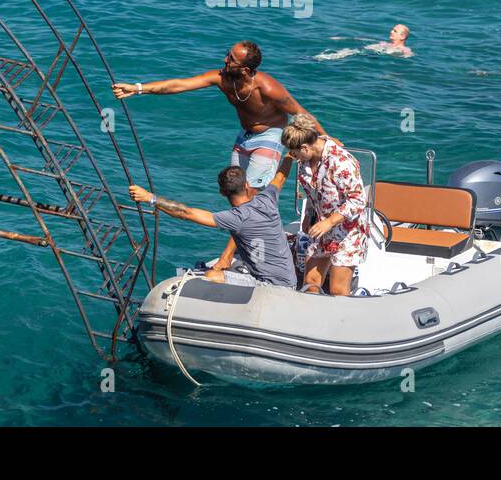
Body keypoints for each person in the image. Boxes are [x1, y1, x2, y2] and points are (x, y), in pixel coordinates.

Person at [113, 40, 326, 188]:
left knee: (252, 191)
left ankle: (240, 246)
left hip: (270, 136)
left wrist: (326, 139)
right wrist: (138, 88)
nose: (225, 60)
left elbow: (300, 113)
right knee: (236, 187)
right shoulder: (221, 78)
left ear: (244, 69)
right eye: (227, 54)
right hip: (245, 136)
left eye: (231, 59)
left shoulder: (267, 88)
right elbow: (179, 85)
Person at [129, 156, 298, 289]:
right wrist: (290, 155)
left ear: (222, 192)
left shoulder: (236, 217)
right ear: (247, 185)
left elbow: (185, 212)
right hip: (289, 279)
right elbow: (280, 176)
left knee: (211, 276)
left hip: (272, 287)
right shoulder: (267, 197)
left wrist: (150, 198)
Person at [281, 113, 368, 296]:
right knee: (310, 282)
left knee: (338, 289)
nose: (293, 157)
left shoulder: (341, 162)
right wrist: (307, 216)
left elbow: (358, 200)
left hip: (347, 230)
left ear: (305, 147)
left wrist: (329, 222)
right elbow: (314, 192)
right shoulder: (305, 161)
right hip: (321, 229)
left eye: (294, 152)